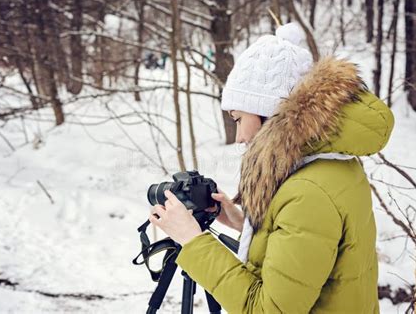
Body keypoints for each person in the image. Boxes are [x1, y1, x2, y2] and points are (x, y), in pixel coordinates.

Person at [149, 22, 394, 313]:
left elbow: (269, 310)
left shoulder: (307, 192)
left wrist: (193, 241)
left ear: (269, 112)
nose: (239, 137)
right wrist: (246, 224)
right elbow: (312, 256)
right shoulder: (333, 165)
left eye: (239, 119)